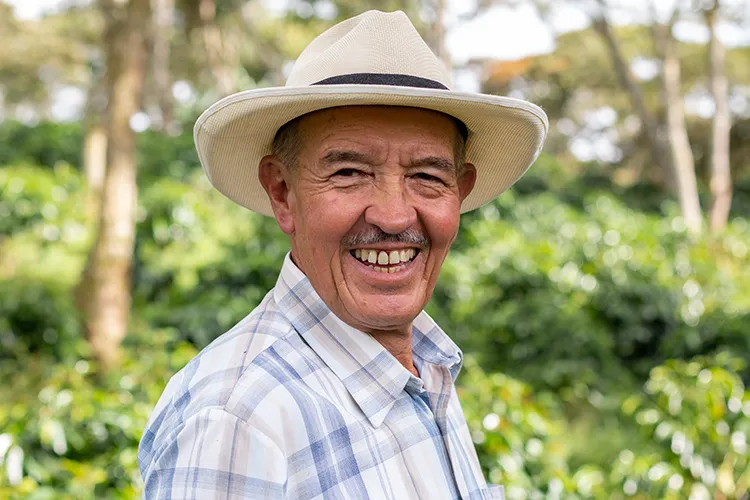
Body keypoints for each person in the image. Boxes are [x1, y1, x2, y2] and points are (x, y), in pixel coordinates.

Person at [138, 9, 547, 500]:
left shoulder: (425, 366)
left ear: (459, 193)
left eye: (427, 176)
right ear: (283, 193)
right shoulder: (239, 421)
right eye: (349, 172)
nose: (395, 217)